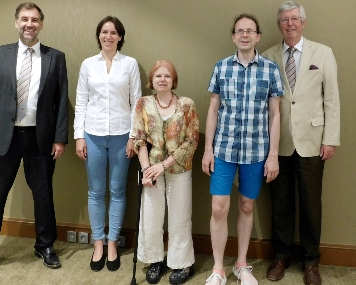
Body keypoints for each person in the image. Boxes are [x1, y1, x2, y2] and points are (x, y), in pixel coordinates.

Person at [0, 2, 68, 284]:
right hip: (3, 139)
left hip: (41, 139)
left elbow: (62, 104)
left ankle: (45, 246)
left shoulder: (55, 58)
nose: (29, 24)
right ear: (16, 23)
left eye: (35, 20)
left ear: (42, 24)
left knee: (44, 196)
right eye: (24, 19)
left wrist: (60, 139)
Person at [202, 14, 284, 285]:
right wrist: (207, 150)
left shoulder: (271, 70)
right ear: (233, 36)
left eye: (250, 31)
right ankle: (218, 269)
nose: (245, 35)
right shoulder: (221, 67)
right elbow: (213, 109)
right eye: (240, 31)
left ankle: (241, 264)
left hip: (256, 151)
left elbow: (275, 115)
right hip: (224, 149)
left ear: (258, 36)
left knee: (247, 206)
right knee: (218, 208)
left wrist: (273, 155)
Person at [262, 1, 340, 285]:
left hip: (313, 141)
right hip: (277, 143)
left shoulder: (323, 53)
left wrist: (330, 139)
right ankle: (281, 257)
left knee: (310, 205)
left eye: (294, 19)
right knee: (280, 204)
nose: (290, 24)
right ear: (279, 25)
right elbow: (264, 102)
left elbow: (331, 99)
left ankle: (310, 262)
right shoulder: (268, 56)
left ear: (303, 22)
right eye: (284, 20)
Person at [74, 16, 141, 272]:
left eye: (113, 32)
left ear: (120, 37)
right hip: (92, 133)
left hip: (123, 134)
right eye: (104, 32)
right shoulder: (88, 65)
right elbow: (81, 101)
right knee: (96, 191)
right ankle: (98, 243)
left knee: (118, 190)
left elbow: (137, 102)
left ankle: (113, 243)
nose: (108, 36)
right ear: (99, 36)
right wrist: (79, 135)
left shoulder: (130, 64)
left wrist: (134, 136)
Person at [132, 60, 199, 284]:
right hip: (150, 169)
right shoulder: (142, 103)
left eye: (167, 76)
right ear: (151, 80)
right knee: (151, 217)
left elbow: (191, 141)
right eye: (158, 76)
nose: (162, 79)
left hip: (178, 169)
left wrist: (164, 165)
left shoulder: (186, 104)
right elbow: (139, 138)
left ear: (174, 80)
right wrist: (146, 170)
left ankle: (182, 263)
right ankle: (155, 260)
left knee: (180, 219)